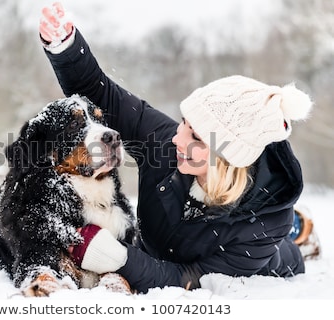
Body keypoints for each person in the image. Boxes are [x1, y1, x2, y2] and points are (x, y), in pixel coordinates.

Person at [38, 3, 318, 293]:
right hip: (162, 243)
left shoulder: (264, 226)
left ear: (226, 159)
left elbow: (187, 279)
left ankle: (300, 232)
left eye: (194, 136)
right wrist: (65, 46)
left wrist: (120, 257)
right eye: (184, 122)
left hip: (262, 251)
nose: (177, 138)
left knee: (285, 255)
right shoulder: (164, 141)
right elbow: (101, 94)